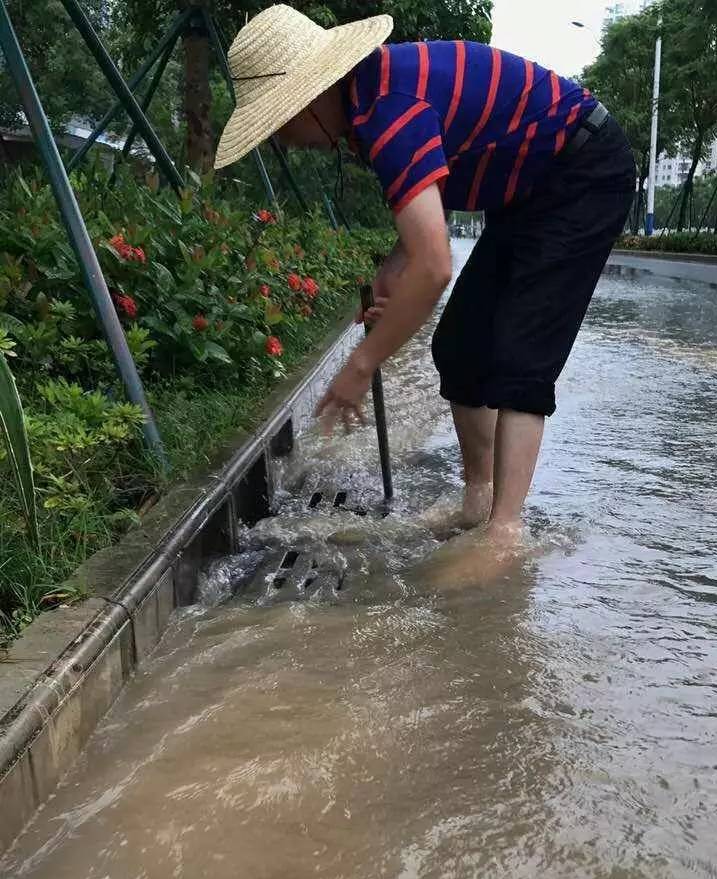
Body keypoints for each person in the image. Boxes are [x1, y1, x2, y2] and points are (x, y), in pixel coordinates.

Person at [215, 5, 636, 584]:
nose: (288, 143)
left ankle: (505, 532)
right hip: (527, 192)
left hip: (582, 171)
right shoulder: (370, 104)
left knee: (520, 356)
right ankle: (477, 498)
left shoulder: (388, 110)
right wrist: (395, 264)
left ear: (309, 100)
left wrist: (362, 364)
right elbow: (420, 235)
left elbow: (436, 265)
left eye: (282, 126)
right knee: (459, 347)